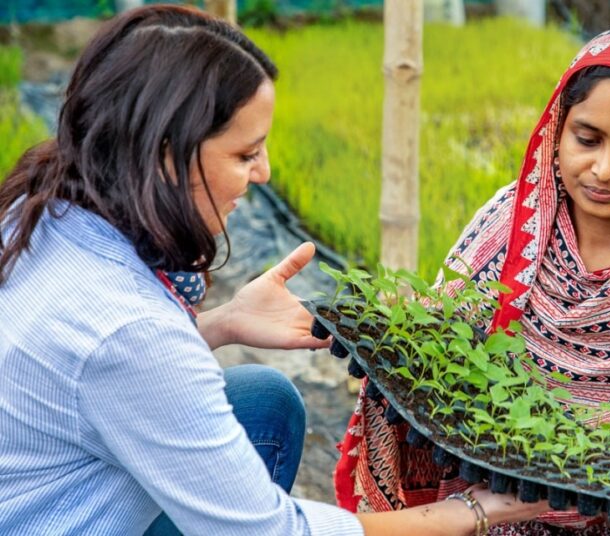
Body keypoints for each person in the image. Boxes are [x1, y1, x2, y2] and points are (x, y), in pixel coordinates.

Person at [0, 4, 555, 536]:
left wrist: (222, 322)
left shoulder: (39, 209)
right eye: (245, 154)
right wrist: (470, 513)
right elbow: (276, 530)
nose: (263, 173)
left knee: (263, 402)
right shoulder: (130, 330)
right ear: (166, 154)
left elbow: (91, 374)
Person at [335, 27, 610, 536]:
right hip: (498, 503)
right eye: (587, 139)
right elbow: (436, 366)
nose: (603, 168)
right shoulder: (509, 227)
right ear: (559, 129)